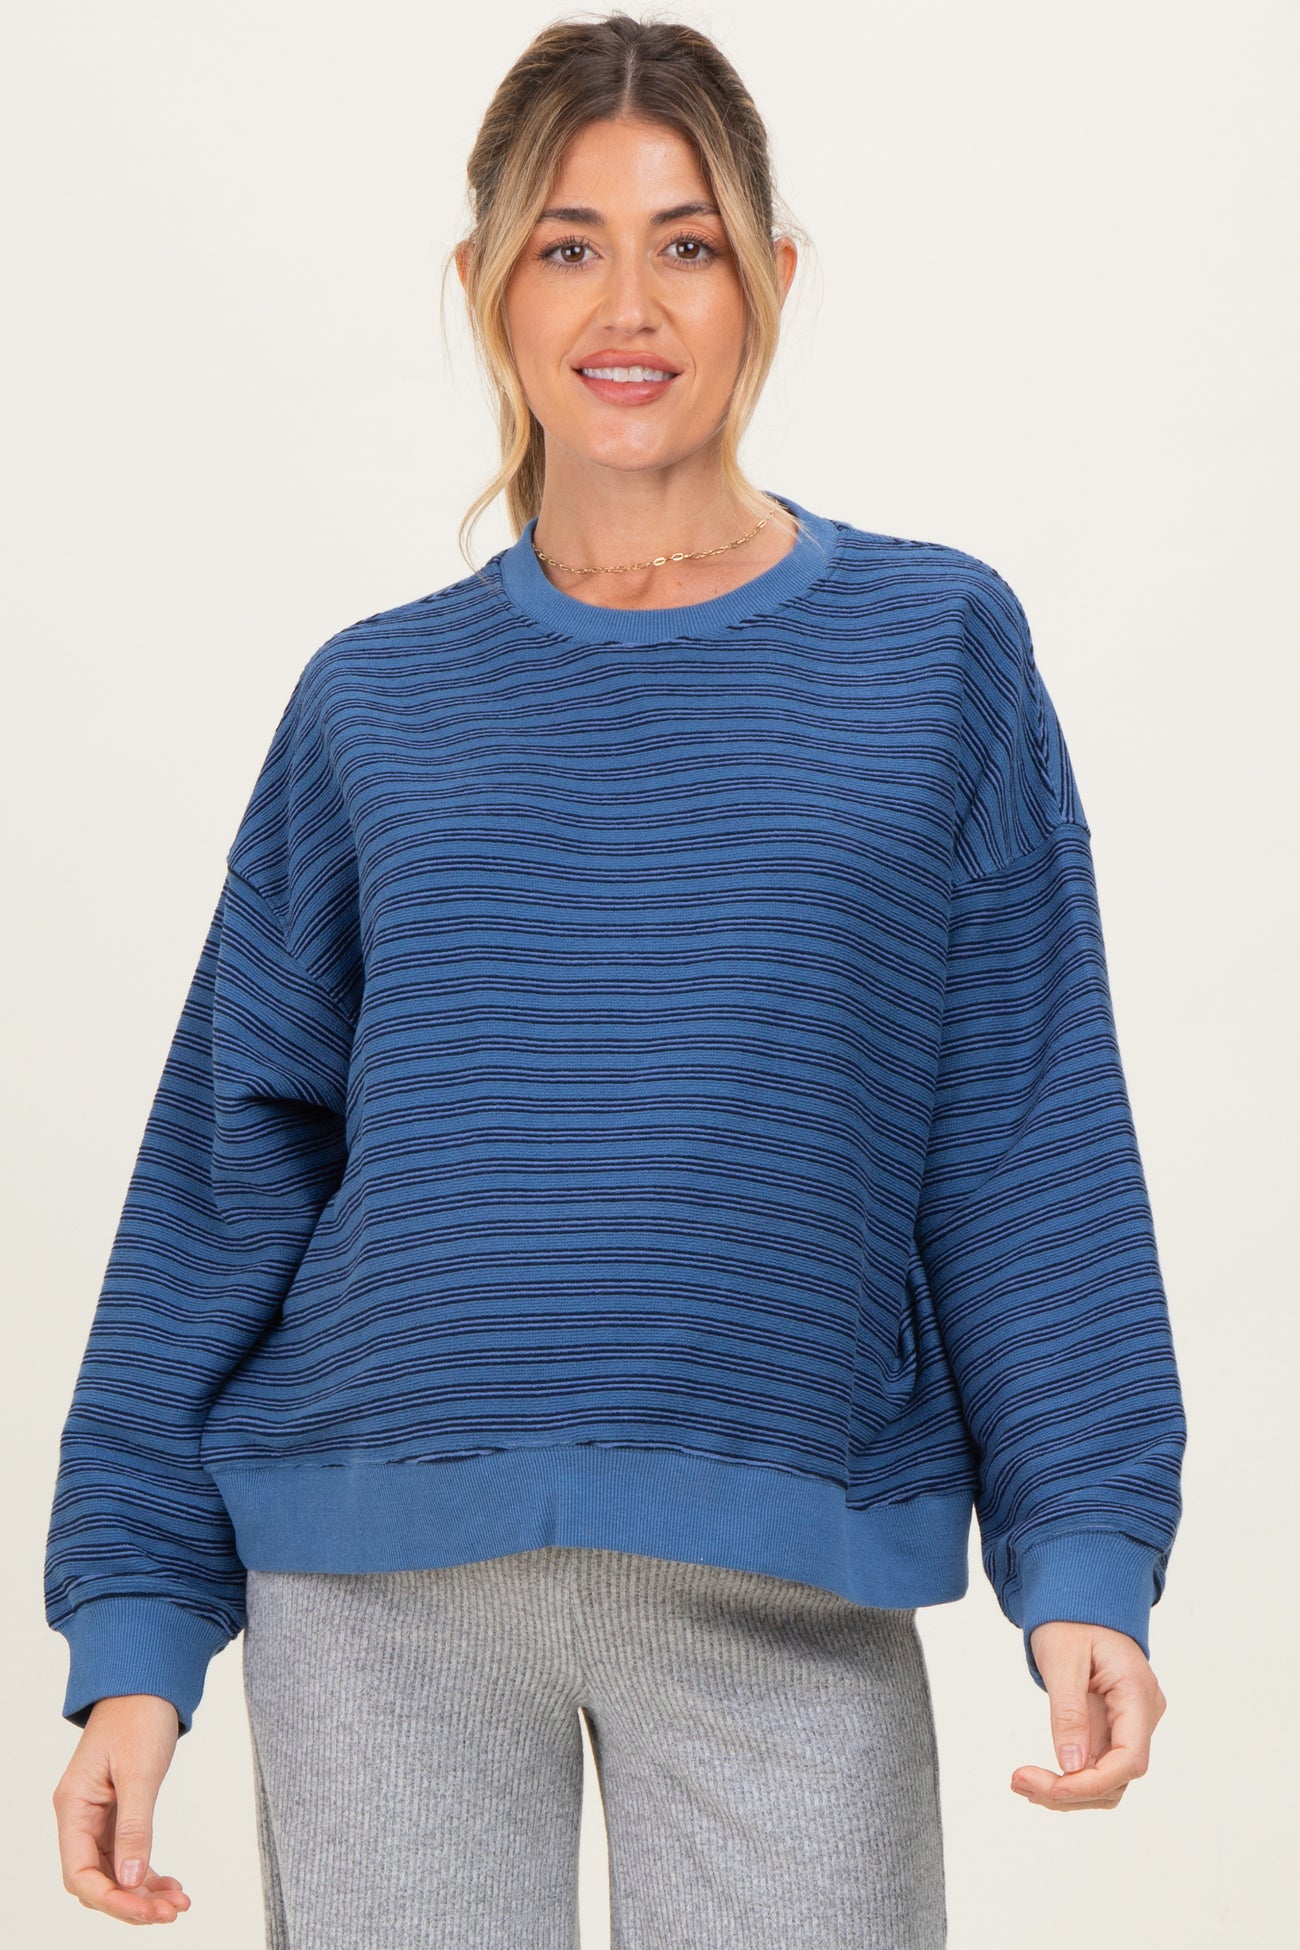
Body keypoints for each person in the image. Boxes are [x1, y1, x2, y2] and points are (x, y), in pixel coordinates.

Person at [45, 11, 1187, 1945]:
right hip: (377, 1582)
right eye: (568, 244)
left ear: (775, 279)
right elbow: (225, 1173)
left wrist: (1083, 1551)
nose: (628, 303)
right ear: (484, 286)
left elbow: (1021, 1128)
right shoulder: (371, 700)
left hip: (785, 1571)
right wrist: (136, 1627)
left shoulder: (937, 650)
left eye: (690, 242)